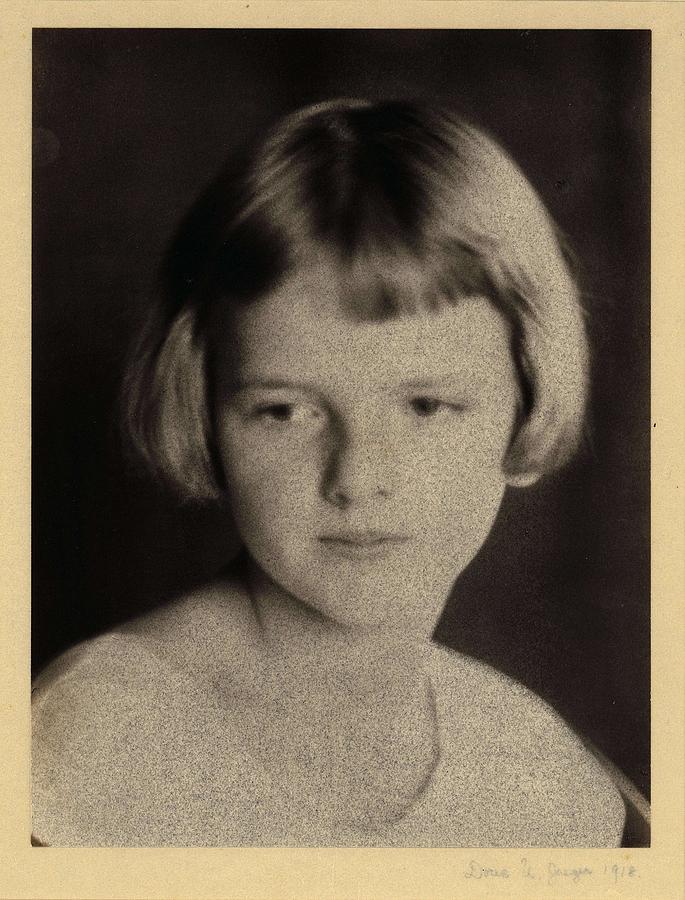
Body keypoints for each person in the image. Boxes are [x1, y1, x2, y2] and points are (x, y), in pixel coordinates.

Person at [32, 98, 635, 847]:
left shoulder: (533, 770)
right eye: (285, 411)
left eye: (425, 406)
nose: (357, 477)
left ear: (525, 399)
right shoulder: (101, 746)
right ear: (205, 411)